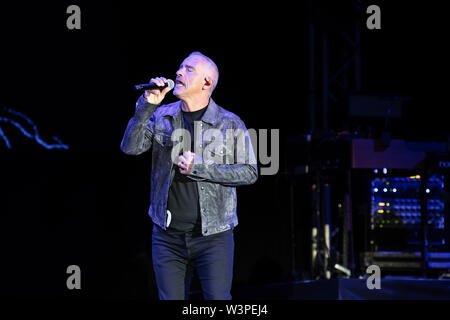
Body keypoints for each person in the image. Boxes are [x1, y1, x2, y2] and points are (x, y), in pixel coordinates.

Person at [120, 51, 257, 300]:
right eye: (180, 68)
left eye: (189, 69)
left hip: (213, 237)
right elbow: (130, 147)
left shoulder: (230, 123)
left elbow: (249, 172)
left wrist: (200, 168)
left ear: (207, 83)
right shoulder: (162, 115)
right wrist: (146, 106)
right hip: (167, 236)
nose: (178, 72)